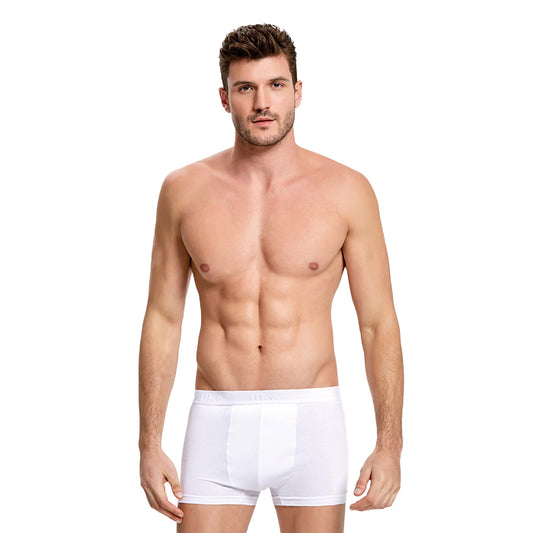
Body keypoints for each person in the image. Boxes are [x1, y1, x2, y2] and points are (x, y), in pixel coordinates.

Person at [138, 23, 403, 533]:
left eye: (276, 85)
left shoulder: (347, 191)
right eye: (246, 88)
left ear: (297, 91)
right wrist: (149, 444)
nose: (262, 102)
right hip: (216, 419)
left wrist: (390, 444)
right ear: (224, 98)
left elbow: (378, 323)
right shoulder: (183, 191)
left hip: (312, 420)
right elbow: (163, 318)